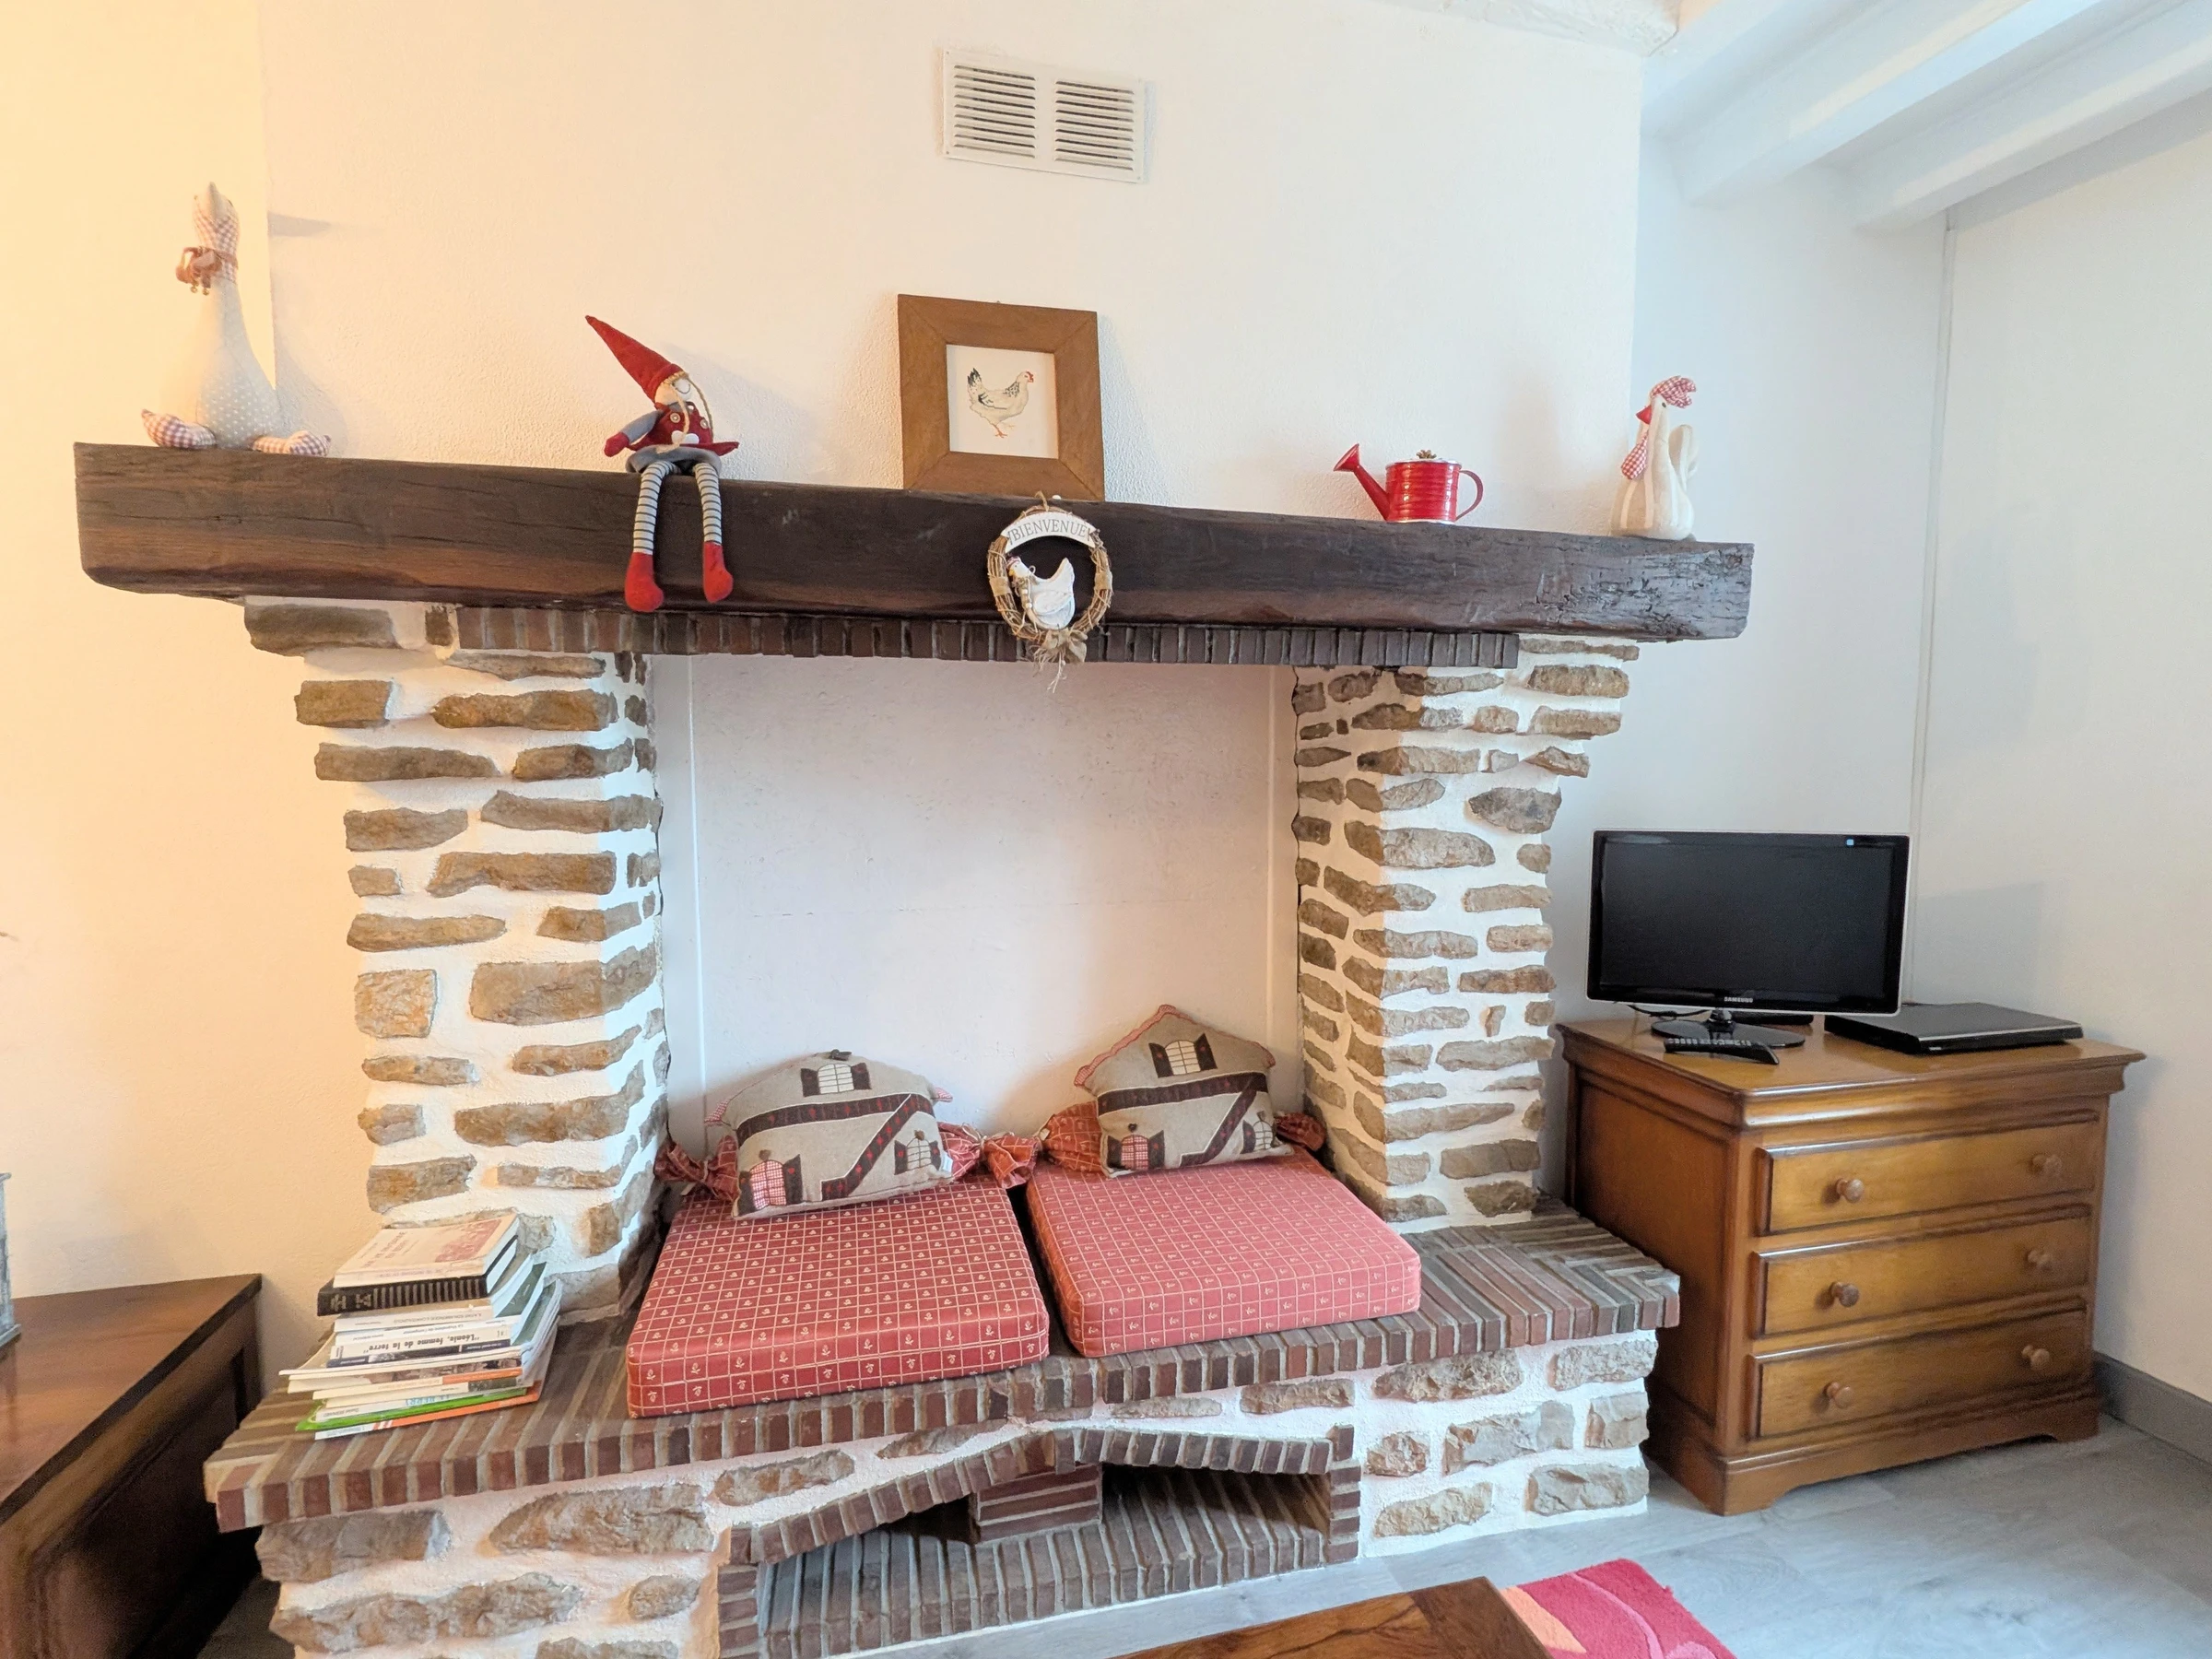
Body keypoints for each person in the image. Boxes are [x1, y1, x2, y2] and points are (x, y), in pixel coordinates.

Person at [587, 315, 737, 612]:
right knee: (651, 480)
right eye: (675, 383)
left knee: (710, 484)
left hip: (699, 457)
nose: (683, 387)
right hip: (661, 455)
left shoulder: (696, 413)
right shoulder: (659, 415)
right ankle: (640, 573)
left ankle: (715, 566)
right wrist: (619, 440)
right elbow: (637, 427)